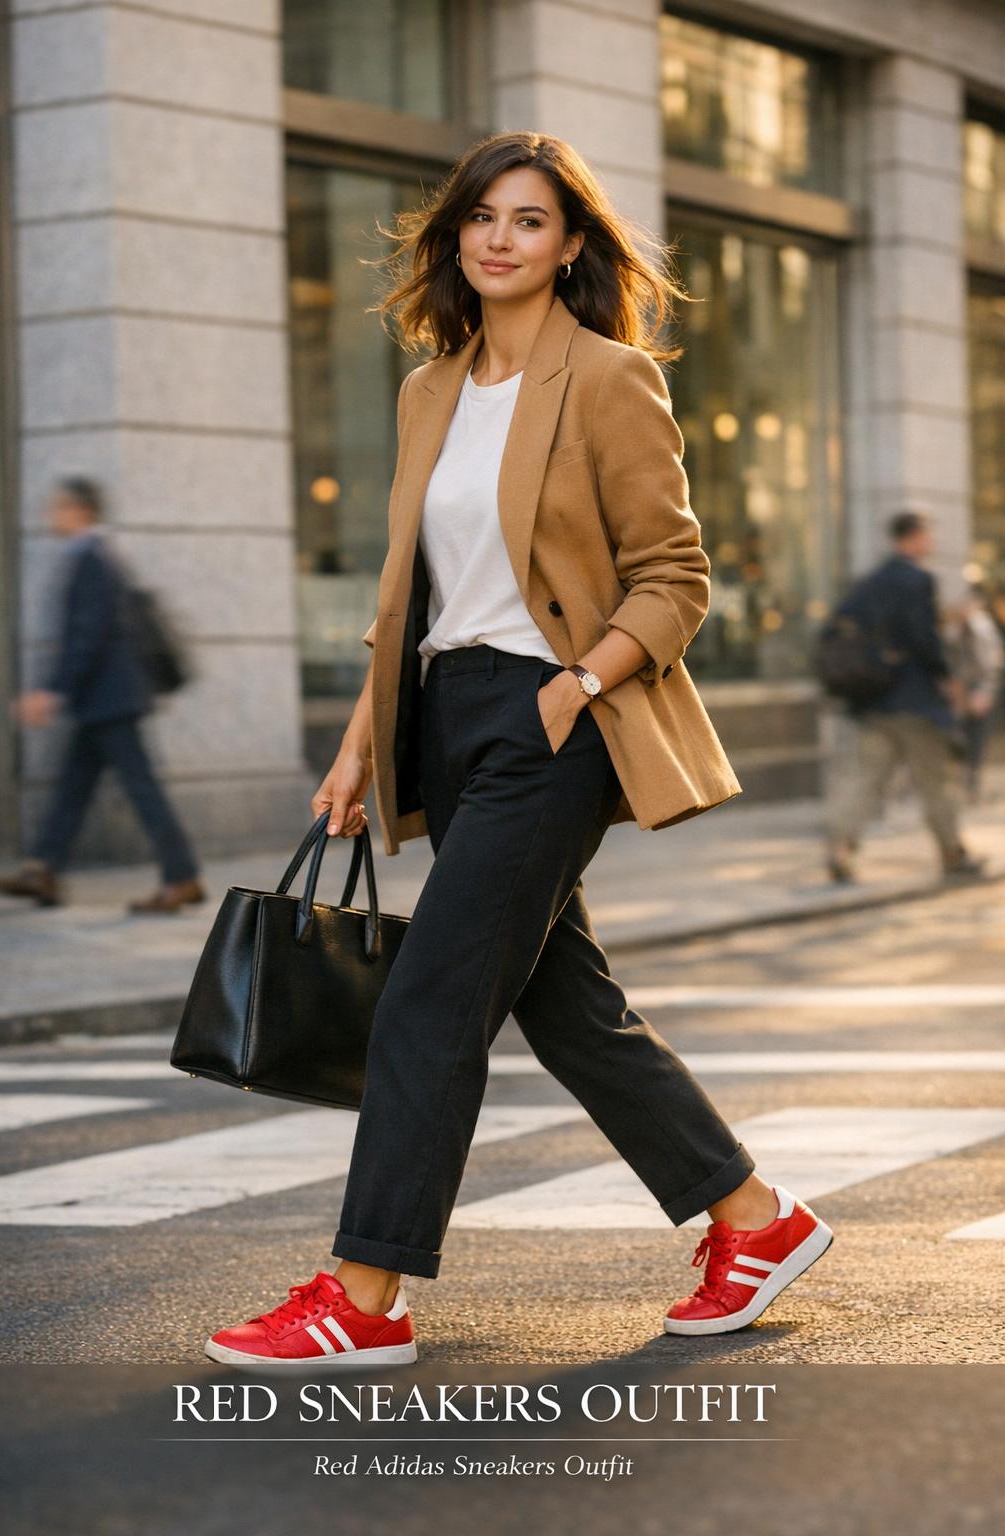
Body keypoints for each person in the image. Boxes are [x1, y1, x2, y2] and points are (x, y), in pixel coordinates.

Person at [205, 131, 833, 1369]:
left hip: (555, 721)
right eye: (481, 217)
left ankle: (365, 1294)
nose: (500, 238)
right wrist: (359, 750)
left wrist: (578, 685)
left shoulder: (606, 378)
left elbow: (674, 575)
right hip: (444, 715)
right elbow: (408, 597)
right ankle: (753, 1221)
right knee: (570, 1010)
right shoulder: (427, 390)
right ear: (454, 237)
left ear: (568, 245)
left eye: (529, 220)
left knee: (430, 1003)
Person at [0, 476, 206, 914]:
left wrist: (52, 691)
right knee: (74, 787)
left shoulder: (91, 559)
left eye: (58, 508)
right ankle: (44, 869)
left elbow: (87, 637)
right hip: (103, 701)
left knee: (141, 789)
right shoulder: (94, 556)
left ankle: (181, 877)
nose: (52, 516)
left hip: (111, 701)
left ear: (80, 511)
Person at [825, 511, 985, 884]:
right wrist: (947, 679)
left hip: (873, 700)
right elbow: (922, 639)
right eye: (927, 536)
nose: (930, 544)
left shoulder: (870, 581)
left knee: (865, 780)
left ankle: (841, 849)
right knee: (935, 780)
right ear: (913, 538)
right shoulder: (917, 579)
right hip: (914, 702)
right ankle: (952, 853)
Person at [944, 583, 1004, 801]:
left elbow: (992, 666)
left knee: (976, 738)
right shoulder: (954, 629)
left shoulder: (982, 628)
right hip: (961, 689)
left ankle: (971, 784)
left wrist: (984, 693)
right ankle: (961, 782)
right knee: (959, 735)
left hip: (979, 689)